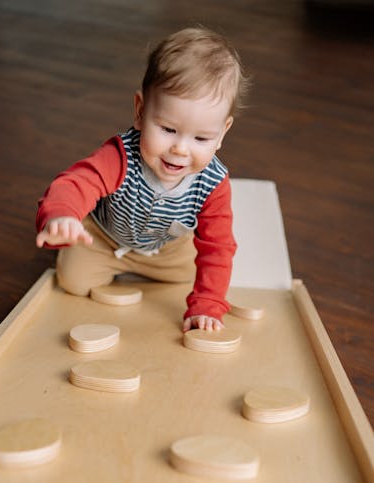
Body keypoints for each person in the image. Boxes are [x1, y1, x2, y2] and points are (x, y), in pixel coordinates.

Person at [36, 26, 249, 331]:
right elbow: (78, 181)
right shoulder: (121, 156)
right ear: (140, 111)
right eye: (167, 129)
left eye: (201, 138)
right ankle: (97, 250)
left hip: (165, 249)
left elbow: (218, 246)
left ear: (222, 133)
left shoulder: (213, 183)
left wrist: (207, 304)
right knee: (72, 281)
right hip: (105, 238)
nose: (180, 149)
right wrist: (62, 215)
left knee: (196, 276)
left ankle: (154, 269)